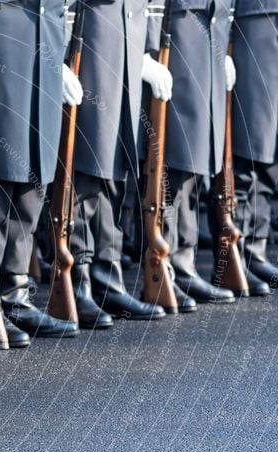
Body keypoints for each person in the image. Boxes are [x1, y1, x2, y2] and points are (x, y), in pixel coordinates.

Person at [0, 0, 81, 337]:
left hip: (47, 34)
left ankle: (17, 293)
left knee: (37, 168)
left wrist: (63, 48)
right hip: (1, 33)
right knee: (0, 168)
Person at [70, 0, 166, 322]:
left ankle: (108, 276)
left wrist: (149, 47)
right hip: (92, 30)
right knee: (88, 161)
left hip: (131, 31)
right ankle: (77, 279)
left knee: (118, 159)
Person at [159, 0, 236, 304]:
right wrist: (150, 47)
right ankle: (166, 264)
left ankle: (184, 261)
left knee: (197, 156)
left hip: (210, 27)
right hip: (178, 26)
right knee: (178, 154)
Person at [230, 0, 278, 288]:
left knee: (272, 144)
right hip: (257, 13)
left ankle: (257, 245)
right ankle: (242, 246)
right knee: (254, 137)